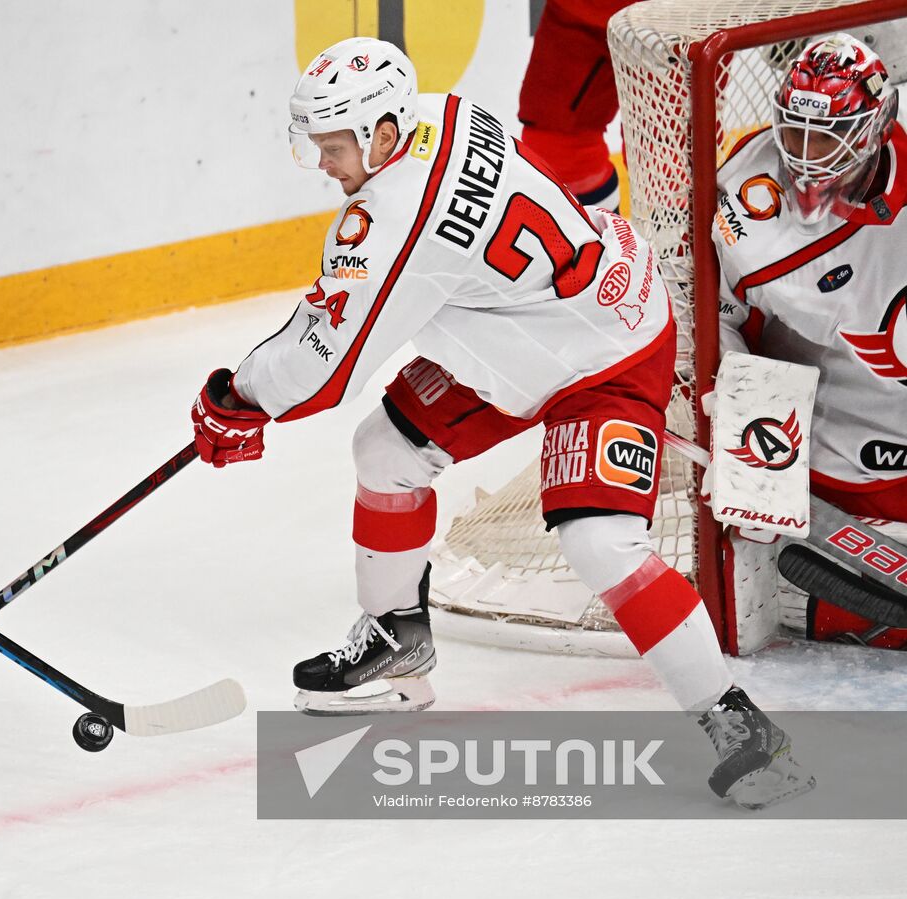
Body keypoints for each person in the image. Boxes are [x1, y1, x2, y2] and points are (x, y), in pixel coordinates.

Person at [190, 36, 811, 806]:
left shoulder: (390, 218)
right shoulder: (440, 112)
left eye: (333, 146)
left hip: (603, 355)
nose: (323, 164)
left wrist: (234, 399)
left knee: (597, 540)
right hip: (538, 321)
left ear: (384, 133)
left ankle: (742, 727)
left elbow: (323, 363)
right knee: (386, 450)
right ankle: (399, 643)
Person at [714, 34, 907, 648]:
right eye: (795, 131)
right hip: (831, 448)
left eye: (826, 135)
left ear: (876, 126)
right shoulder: (750, 200)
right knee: (834, 619)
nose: (805, 154)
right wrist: (732, 396)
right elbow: (714, 313)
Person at [518, 0, 633, 212]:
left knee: (671, 167)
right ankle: (600, 243)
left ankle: (683, 243)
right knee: (555, 146)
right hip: (579, 11)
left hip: (676, 18)